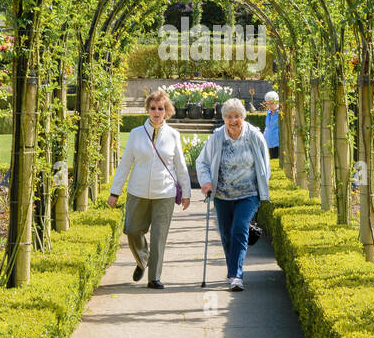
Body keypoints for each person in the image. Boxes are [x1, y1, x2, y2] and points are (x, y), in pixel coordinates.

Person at [108, 90, 190, 289]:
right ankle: (143, 260)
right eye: (153, 108)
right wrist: (114, 192)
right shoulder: (136, 134)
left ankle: (154, 278)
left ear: (167, 111)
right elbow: (125, 164)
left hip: (165, 194)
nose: (156, 112)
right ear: (147, 109)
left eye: (160, 108)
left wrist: (186, 193)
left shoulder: (173, 135)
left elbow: (180, 166)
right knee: (132, 230)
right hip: (138, 192)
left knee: (159, 237)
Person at [196, 98, 271, 291]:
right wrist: (205, 182)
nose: (233, 121)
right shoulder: (217, 137)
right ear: (224, 119)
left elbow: (264, 165)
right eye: (229, 117)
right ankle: (232, 271)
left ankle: (236, 276)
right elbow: (202, 162)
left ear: (243, 117)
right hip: (222, 194)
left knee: (239, 229)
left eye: (237, 116)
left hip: (248, 193)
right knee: (226, 235)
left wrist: (262, 185)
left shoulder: (254, 136)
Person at [263, 90, 280, 160]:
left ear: (277, 102)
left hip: (277, 143)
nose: (270, 106)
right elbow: (268, 127)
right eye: (268, 104)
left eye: (272, 103)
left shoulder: (280, 113)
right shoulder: (268, 112)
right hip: (269, 143)